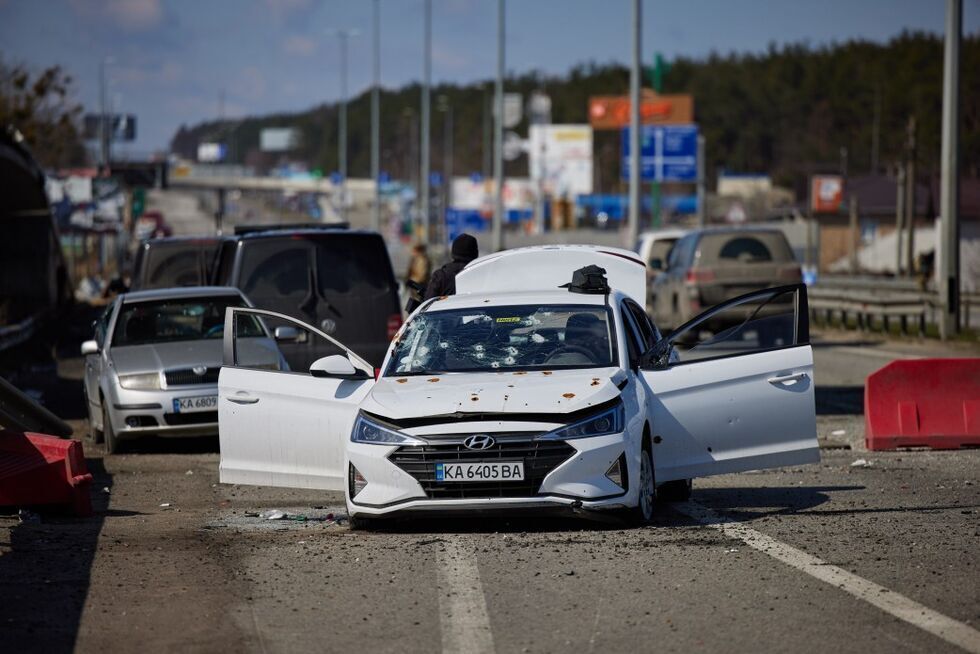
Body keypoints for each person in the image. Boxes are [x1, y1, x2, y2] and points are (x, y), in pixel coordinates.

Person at [423, 233, 479, 301]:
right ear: (476, 253)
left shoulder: (441, 276)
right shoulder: (482, 273)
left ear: (453, 252)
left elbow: (428, 303)